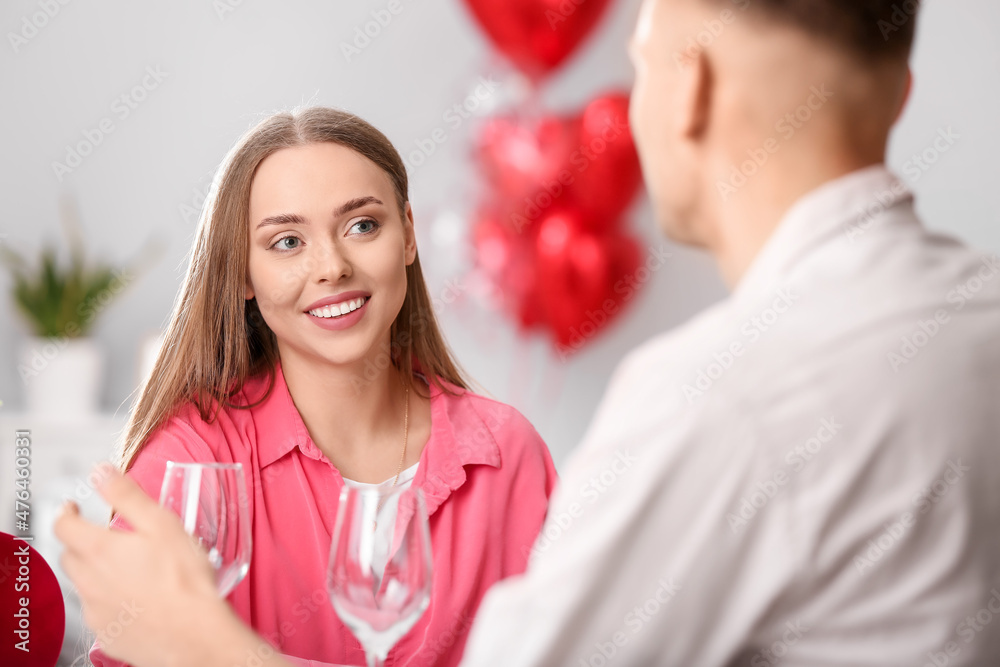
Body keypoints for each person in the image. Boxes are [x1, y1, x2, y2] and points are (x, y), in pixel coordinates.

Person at [57, 0, 1000, 664]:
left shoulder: (712, 402)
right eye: (287, 241)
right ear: (900, 89)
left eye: (636, 64)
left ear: (693, 88)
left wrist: (208, 649)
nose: (330, 266)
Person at [77, 107, 557, 666]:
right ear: (242, 275)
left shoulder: (508, 456)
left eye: (362, 226)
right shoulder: (189, 464)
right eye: (286, 242)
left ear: (407, 236)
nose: (331, 267)